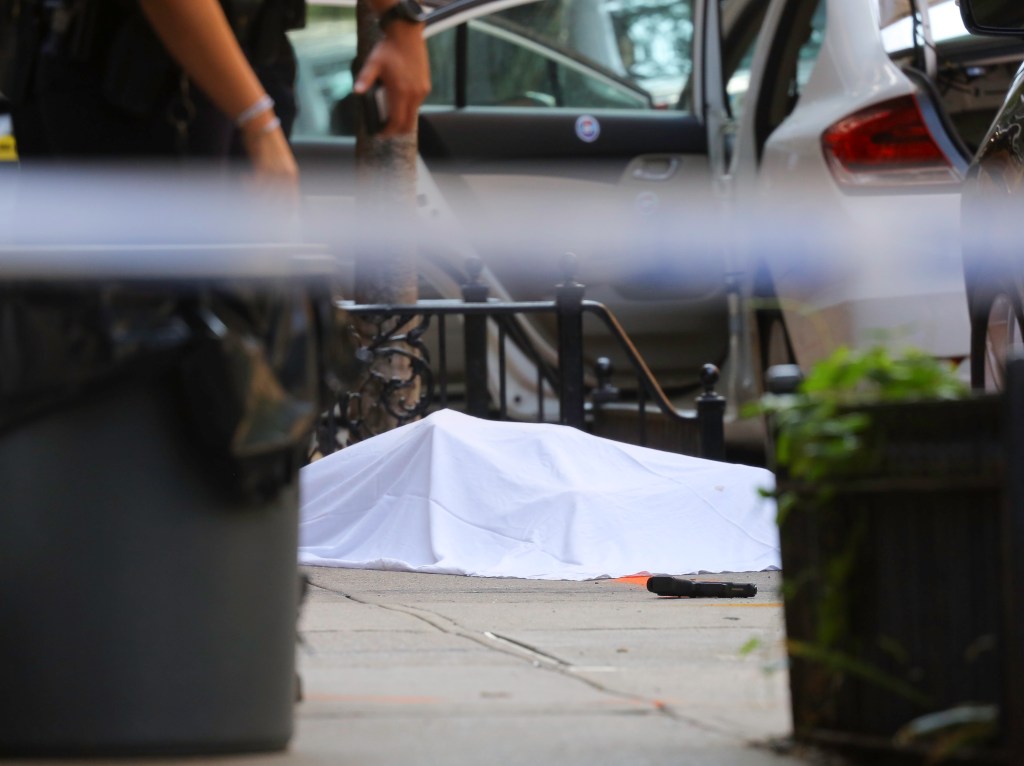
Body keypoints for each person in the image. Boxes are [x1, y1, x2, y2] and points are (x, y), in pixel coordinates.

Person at [5, 0, 430, 185]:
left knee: (239, 320)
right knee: (146, 335)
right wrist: (257, 120)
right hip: (135, 85)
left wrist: (400, 18)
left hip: (243, 64)